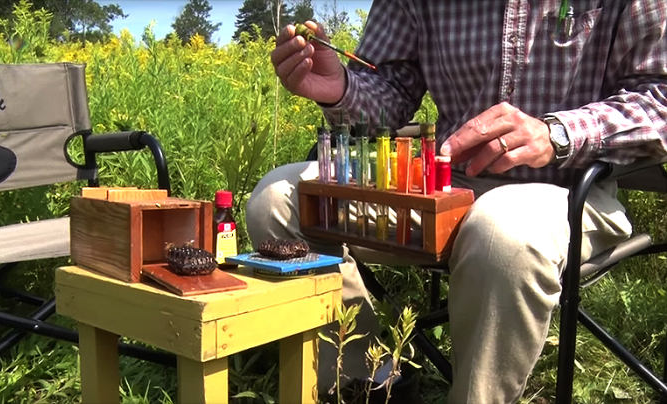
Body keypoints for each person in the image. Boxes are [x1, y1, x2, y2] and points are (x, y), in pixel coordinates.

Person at [246, 1, 667, 402]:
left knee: (501, 233)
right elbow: (390, 88)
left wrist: (556, 133)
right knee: (278, 201)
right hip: (444, 187)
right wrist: (341, 89)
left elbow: (659, 99)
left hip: (568, 188)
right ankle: (372, 383)